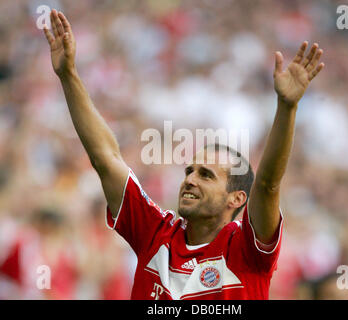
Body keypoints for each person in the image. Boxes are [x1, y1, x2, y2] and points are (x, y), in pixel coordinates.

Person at [43, 9, 324, 300]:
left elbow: (267, 184)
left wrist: (287, 108)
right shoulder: (155, 231)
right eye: (189, 171)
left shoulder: (247, 250)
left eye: (206, 175)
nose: (190, 179)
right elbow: (105, 158)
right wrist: (69, 75)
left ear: (236, 198)